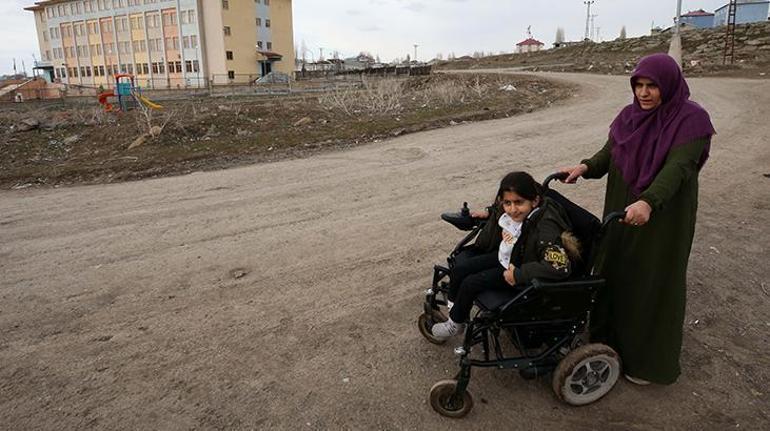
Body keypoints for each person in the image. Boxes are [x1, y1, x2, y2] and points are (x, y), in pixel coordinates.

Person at [560, 53, 715, 385]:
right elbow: (611, 151)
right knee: (614, 271)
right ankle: (607, 343)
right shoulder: (628, 117)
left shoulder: (691, 120)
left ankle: (647, 361)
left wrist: (649, 201)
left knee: (650, 281)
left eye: (652, 86)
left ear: (668, 86)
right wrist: (585, 167)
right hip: (621, 209)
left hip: (662, 217)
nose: (644, 93)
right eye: (639, 85)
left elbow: (679, 168)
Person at [432, 171, 579, 340]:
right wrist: (489, 213)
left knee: (470, 283)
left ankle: (455, 324)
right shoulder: (519, 210)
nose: (513, 209)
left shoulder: (546, 227)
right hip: (511, 255)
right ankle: (455, 309)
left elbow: (559, 267)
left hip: (523, 271)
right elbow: (502, 207)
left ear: (535, 201)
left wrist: (517, 274)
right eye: (507, 203)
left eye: (519, 203)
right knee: (460, 269)